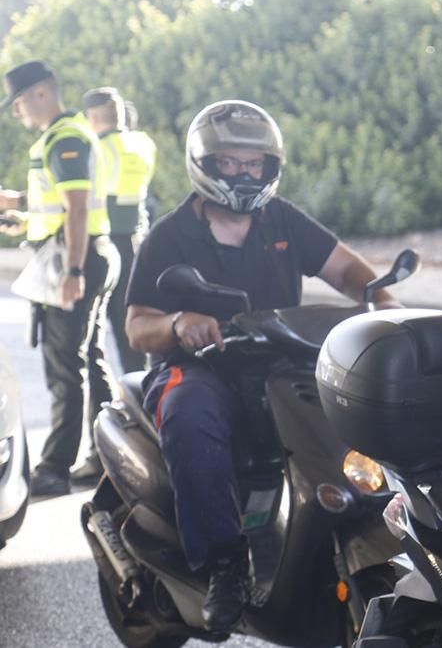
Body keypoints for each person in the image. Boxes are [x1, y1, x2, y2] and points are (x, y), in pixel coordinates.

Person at [124, 99, 394, 633]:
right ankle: (223, 564)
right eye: (230, 162)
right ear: (206, 163)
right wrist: (178, 323)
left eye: (254, 163)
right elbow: (137, 325)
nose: (244, 173)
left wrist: (382, 303)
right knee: (190, 414)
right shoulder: (171, 234)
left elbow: (346, 269)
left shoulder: (282, 219)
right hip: (198, 368)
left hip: (278, 363)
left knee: (345, 417)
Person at [0, 60, 118, 497]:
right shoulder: (64, 135)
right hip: (88, 254)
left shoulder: (65, 137)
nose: (16, 113)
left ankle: (55, 469)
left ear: (42, 93)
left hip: (77, 260)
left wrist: (71, 271)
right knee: (88, 359)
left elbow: (78, 206)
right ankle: (108, 455)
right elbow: (56, 200)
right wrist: (20, 213)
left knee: (65, 367)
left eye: (18, 103)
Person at [66, 87, 158, 485]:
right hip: (136, 243)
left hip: (105, 243)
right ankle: (148, 431)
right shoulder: (141, 142)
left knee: (96, 347)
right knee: (132, 346)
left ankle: (109, 448)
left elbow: (83, 201)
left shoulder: (97, 149)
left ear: (91, 117)